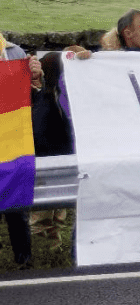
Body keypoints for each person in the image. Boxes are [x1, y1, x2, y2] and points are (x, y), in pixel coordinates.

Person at [29, 52, 75, 243]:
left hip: (59, 156)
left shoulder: (57, 97)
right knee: (45, 204)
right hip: (47, 157)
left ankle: (53, 232)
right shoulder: (46, 99)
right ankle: (42, 235)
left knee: (56, 205)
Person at [0, 35, 32, 267]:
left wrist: (35, 75)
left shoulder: (14, 52)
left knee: (16, 207)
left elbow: (27, 96)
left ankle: (25, 261)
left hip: (11, 144)